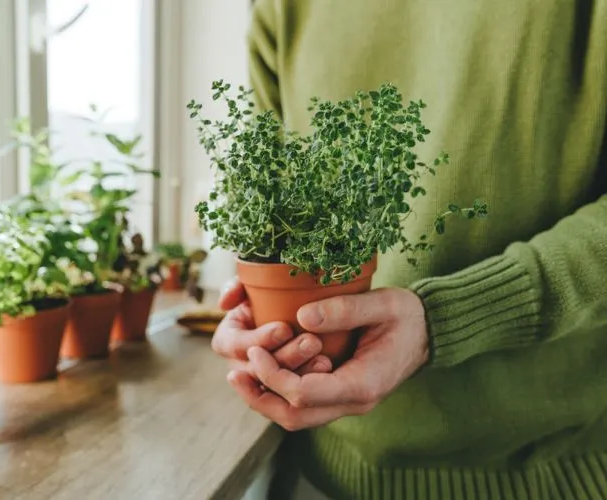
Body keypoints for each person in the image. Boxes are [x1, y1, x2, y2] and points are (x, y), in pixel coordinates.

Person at [210, 1, 607, 499]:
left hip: (544, 471)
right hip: (316, 470)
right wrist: (257, 317)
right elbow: (269, 199)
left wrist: (442, 319)